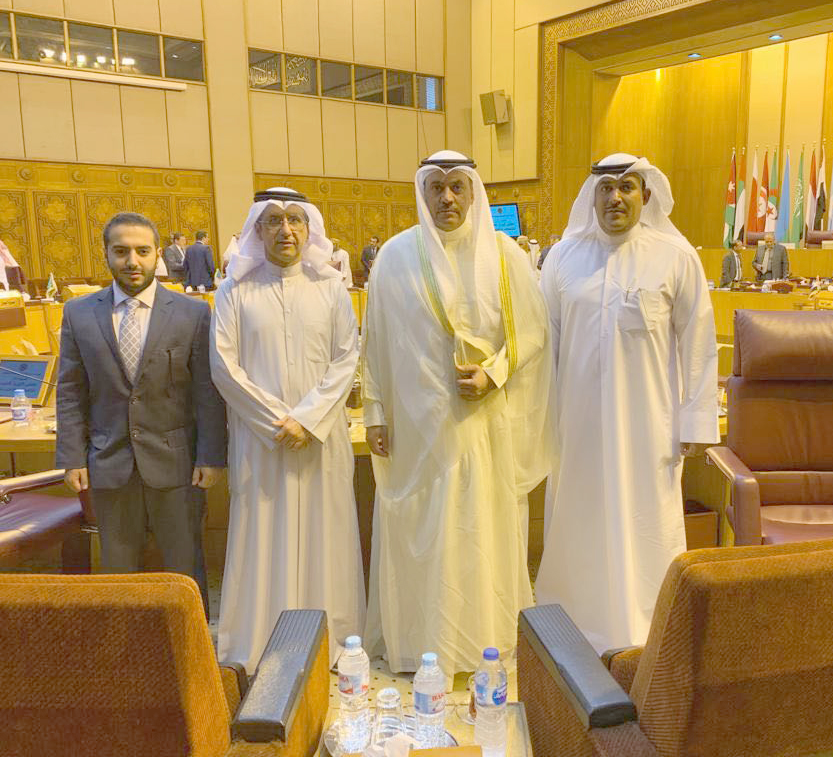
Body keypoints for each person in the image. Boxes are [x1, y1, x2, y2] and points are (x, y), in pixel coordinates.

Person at [362, 150, 553, 674]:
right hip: (415, 430)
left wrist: (493, 371)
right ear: (422, 192)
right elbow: (373, 342)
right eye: (436, 188)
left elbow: (534, 333)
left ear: (473, 192)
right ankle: (418, 643)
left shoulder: (505, 255)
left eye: (457, 187)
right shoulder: (395, 257)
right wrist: (376, 409)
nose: (447, 198)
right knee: (422, 533)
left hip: (482, 427)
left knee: (479, 533)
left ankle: (480, 644)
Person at [536, 153, 719, 653]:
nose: (615, 197)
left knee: (645, 526)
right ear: (591, 196)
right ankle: (571, 628)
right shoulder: (562, 259)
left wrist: (696, 420)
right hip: (575, 428)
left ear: (646, 194)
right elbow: (542, 345)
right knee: (578, 521)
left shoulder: (675, 256)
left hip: (648, 427)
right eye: (606, 188)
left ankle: (649, 632)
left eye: (627, 187)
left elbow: (699, 342)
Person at [210, 188, 364, 671]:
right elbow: (224, 366)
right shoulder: (235, 290)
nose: (286, 230)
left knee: (326, 533)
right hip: (263, 442)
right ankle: (260, 641)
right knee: (263, 535)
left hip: (319, 441)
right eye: (273, 221)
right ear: (257, 231)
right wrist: (280, 421)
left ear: (309, 228)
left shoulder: (331, 287)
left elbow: (347, 358)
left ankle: (332, 639)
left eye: (295, 220)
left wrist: (309, 420)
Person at [55, 212, 226, 615]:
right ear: (107, 255)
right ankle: (123, 654)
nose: (132, 261)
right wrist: (72, 457)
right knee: (118, 570)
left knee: (184, 568)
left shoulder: (193, 313)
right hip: (108, 460)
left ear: (157, 255)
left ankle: (190, 650)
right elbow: (70, 390)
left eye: (142, 251)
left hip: (178, 462)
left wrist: (211, 456)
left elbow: (206, 390)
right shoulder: (79, 313)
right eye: (121, 251)